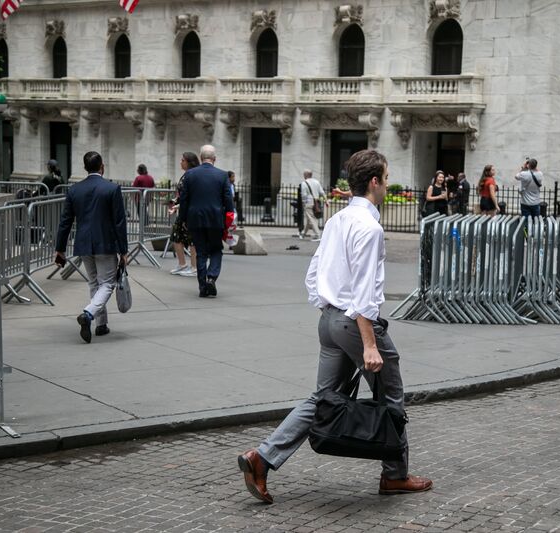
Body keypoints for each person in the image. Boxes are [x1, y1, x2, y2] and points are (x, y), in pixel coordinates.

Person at [237, 149, 432, 504]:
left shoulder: (338, 219)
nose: (387, 186)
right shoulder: (369, 227)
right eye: (386, 179)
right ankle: (394, 476)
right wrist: (369, 344)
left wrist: (325, 311)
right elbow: (364, 293)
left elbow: (314, 273)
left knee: (324, 399)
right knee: (390, 392)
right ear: (374, 182)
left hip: (329, 318)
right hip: (354, 322)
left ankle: (262, 458)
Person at [55, 152, 128, 343]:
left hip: (83, 243)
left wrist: (60, 248)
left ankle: (101, 325)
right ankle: (88, 315)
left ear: (85, 167)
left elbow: (66, 221)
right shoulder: (112, 189)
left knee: (94, 283)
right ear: (102, 166)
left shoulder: (74, 190)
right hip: (106, 242)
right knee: (107, 283)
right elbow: (119, 222)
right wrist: (124, 251)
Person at [177, 145, 234, 298]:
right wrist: (230, 217)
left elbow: (184, 199)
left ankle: (203, 286)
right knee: (216, 250)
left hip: (195, 218)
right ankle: (211, 277)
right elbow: (228, 200)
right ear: (214, 159)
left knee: (201, 252)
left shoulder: (190, 175)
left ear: (201, 158)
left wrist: (182, 218)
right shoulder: (222, 175)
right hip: (216, 219)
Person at [167, 152, 199, 276]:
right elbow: (182, 195)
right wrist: (175, 203)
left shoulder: (191, 176)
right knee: (176, 237)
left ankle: (194, 267)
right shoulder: (186, 175)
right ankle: (182, 264)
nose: (181, 162)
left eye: (183, 160)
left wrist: (177, 205)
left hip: (189, 212)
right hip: (183, 210)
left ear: (189, 162)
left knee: (192, 240)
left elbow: (190, 196)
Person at [299, 169, 328, 241]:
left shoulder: (304, 183)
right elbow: (322, 192)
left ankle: (318, 235)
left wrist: (303, 203)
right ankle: (303, 234)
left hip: (309, 202)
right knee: (310, 218)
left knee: (311, 218)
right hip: (317, 202)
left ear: (305, 175)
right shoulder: (316, 182)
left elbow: (304, 195)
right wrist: (326, 200)